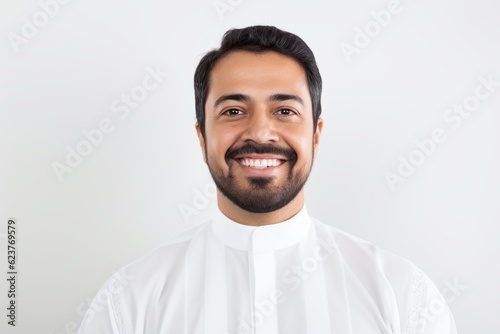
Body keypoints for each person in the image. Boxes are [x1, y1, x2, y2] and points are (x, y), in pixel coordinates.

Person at [78, 25, 457, 334]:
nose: (260, 131)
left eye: (285, 110)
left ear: (316, 134)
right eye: (234, 110)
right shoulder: (129, 301)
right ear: (201, 136)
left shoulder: (404, 295)